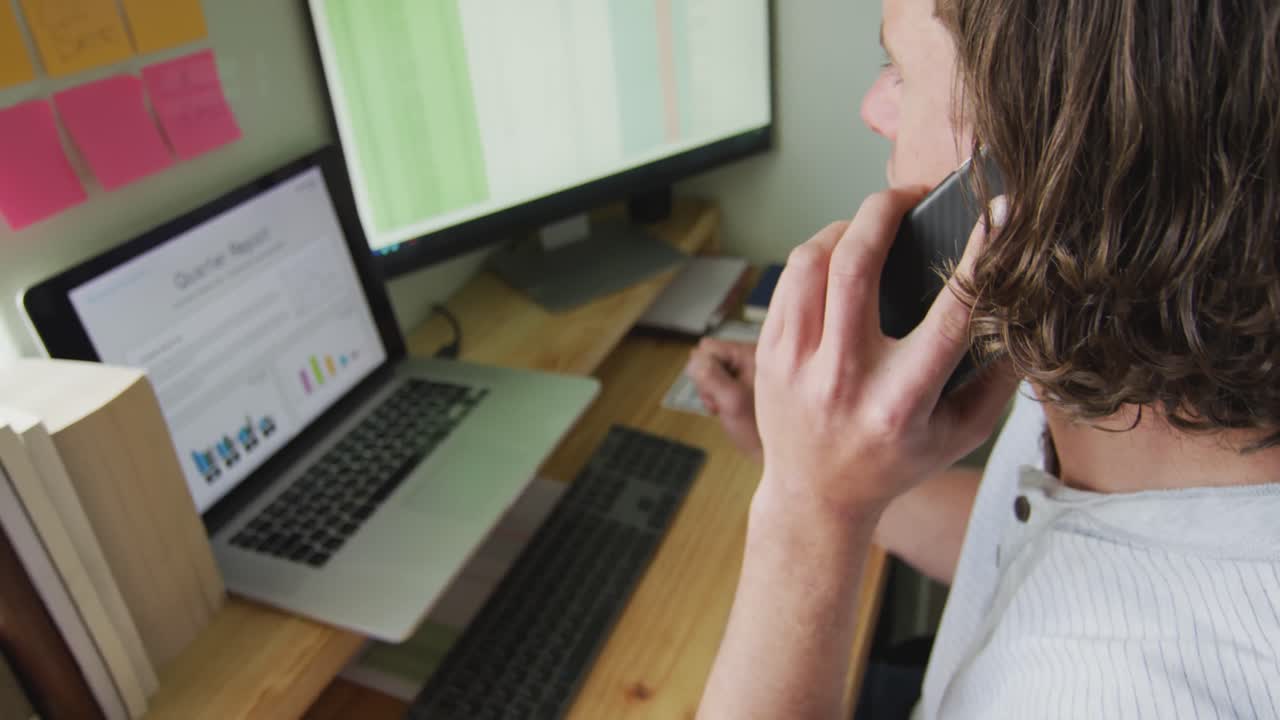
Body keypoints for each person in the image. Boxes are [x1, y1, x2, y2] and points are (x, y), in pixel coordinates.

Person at [693, 0, 1280, 717]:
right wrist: (830, 474)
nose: (873, 109)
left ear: (1020, 180)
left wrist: (803, 512)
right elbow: (1040, 546)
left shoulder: (1109, 697)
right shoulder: (1117, 386)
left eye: (898, 71)